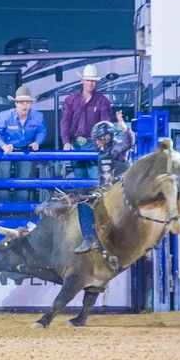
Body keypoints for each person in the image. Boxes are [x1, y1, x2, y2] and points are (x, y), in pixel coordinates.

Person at [75, 110, 136, 253]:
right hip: (105, 188)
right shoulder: (103, 150)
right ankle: (90, 238)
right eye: (96, 139)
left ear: (108, 137)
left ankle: (90, 238)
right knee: (83, 199)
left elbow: (129, 142)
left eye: (99, 139)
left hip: (120, 187)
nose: (97, 142)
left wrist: (123, 126)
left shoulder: (117, 147)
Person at [0, 86, 46, 202]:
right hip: (5, 151)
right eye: (21, 102)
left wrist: (37, 142)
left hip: (25, 151)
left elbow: (42, 131)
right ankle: (3, 217)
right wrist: (3, 145)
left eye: (27, 102)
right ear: (16, 103)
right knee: (3, 185)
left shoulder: (38, 117)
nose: (25, 105)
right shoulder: (4, 116)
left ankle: (20, 216)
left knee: (23, 185)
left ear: (31, 104)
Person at [60, 64, 112, 179]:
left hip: (95, 144)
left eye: (93, 81)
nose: (90, 83)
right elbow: (65, 121)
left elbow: (105, 123)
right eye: (88, 80)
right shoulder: (70, 100)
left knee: (95, 180)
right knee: (80, 180)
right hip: (76, 144)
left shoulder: (102, 101)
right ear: (82, 81)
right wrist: (66, 142)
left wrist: (102, 141)